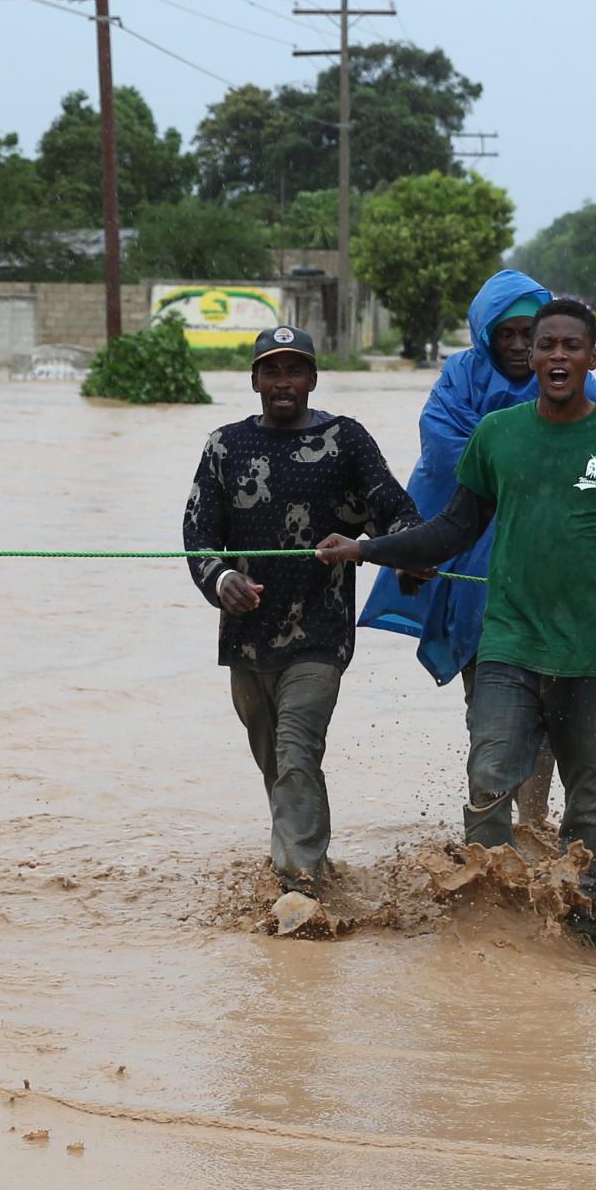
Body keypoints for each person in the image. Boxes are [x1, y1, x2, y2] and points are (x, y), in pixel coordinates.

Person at [319, 300, 596, 947]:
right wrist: (366, 548)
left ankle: (580, 918)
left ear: (593, 358)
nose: (554, 356)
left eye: (570, 345)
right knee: (490, 781)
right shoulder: (497, 435)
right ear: (527, 356)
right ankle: (486, 918)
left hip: (589, 653)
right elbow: (453, 529)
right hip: (507, 646)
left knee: (589, 799)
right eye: (544, 344)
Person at [360, 269, 596, 829]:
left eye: (526, 333)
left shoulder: (564, 378)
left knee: (557, 709)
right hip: (473, 565)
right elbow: (446, 455)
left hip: (558, 573)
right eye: (504, 335)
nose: (517, 347)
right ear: (484, 335)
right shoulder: (459, 378)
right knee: (492, 704)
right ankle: (495, 840)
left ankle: (532, 827)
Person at [182, 325, 420, 901]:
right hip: (246, 637)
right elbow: (197, 535)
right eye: (271, 370)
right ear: (255, 380)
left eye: (294, 371)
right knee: (277, 762)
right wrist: (221, 579)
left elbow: (397, 513)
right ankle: (309, 858)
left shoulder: (347, 441)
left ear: (313, 379)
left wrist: (410, 555)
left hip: (320, 633)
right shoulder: (224, 446)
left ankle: (299, 887)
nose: (282, 382)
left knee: (295, 750)